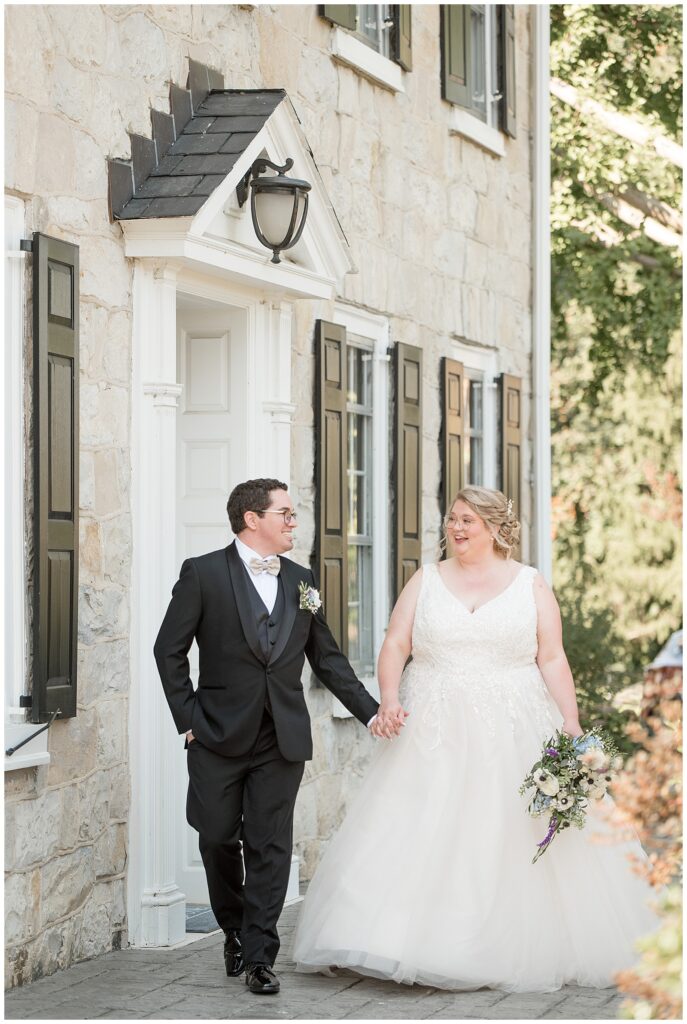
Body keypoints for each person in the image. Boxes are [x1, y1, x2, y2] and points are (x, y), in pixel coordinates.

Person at [293, 486, 657, 991]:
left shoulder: (530, 584)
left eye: (468, 520)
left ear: (494, 527)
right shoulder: (426, 579)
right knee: (416, 825)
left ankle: (499, 943)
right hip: (433, 723)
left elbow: (550, 657)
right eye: (452, 519)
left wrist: (571, 725)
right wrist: (390, 697)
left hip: (514, 722)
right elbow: (397, 642)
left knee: (502, 831)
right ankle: (387, 937)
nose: (456, 529)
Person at [154, 478, 394, 995]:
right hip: (216, 733)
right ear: (251, 519)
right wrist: (189, 719)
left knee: (269, 846)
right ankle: (233, 927)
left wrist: (372, 715)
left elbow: (328, 659)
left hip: (281, 738)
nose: (293, 522)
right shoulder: (204, 574)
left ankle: (261, 956)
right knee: (217, 835)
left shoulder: (301, 580)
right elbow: (167, 651)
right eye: (284, 513)